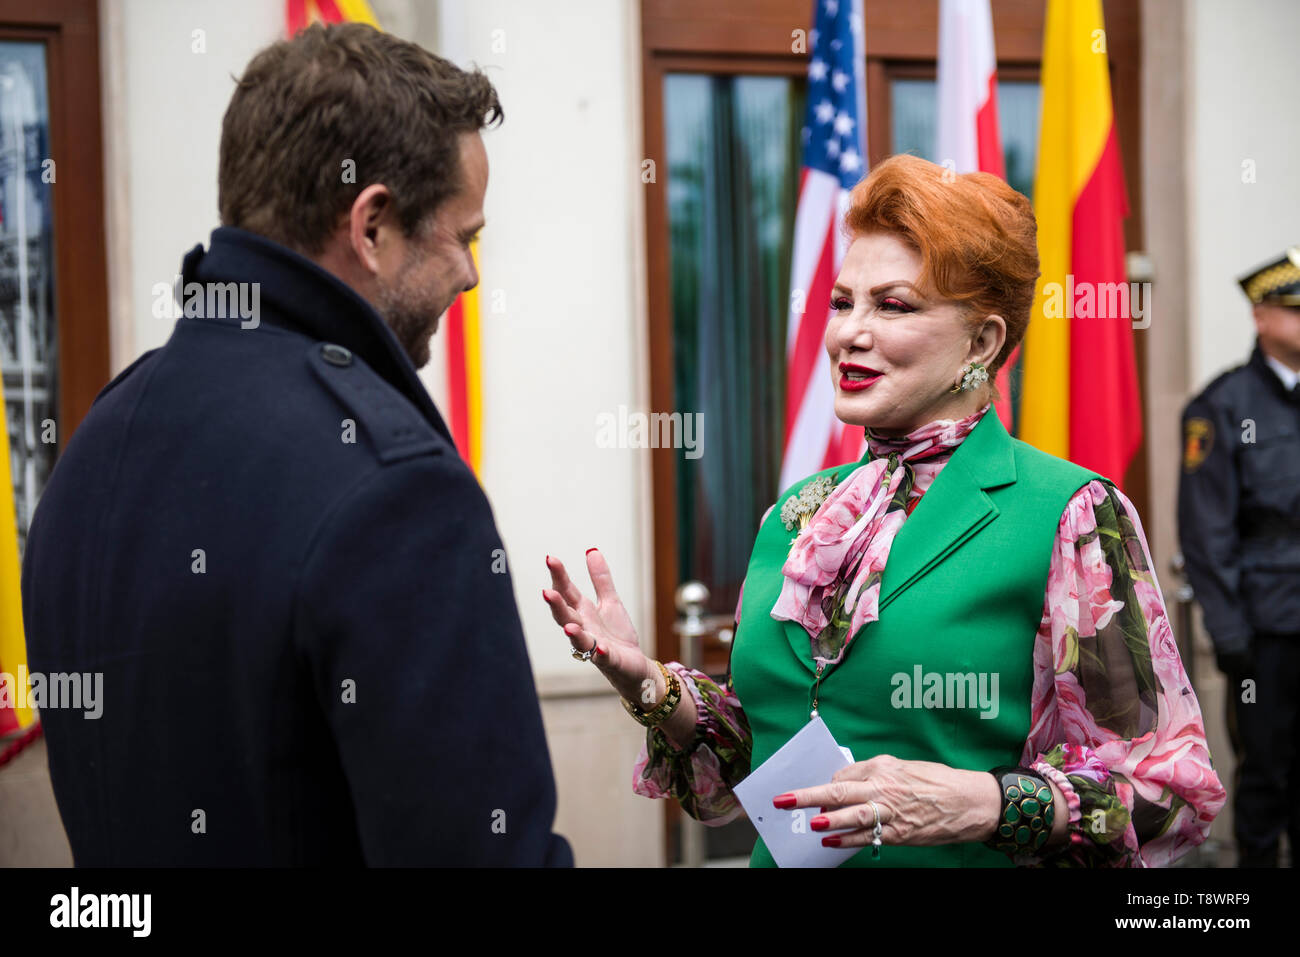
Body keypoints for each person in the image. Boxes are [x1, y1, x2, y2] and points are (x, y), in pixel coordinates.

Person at [546, 154, 1225, 867]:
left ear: (983, 342)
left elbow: (1168, 793)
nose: (849, 333)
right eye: (843, 302)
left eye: (893, 305)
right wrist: (647, 682)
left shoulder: (1071, 512)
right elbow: (753, 761)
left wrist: (986, 802)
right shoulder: (799, 514)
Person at [22, 23, 571, 866]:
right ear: (373, 225)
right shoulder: (399, 491)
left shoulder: (97, 441)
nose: (470, 274)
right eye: (463, 236)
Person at [1178, 247, 1300, 867]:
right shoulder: (1224, 407)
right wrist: (1228, 634)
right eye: (1296, 311)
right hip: (1266, 631)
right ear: (1261, 317)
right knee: (1266, 777)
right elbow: (1206, 533)